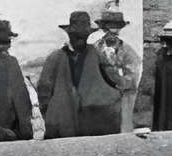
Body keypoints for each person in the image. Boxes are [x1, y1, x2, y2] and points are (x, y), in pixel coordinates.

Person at [39, 10, 121, 138]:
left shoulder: (97, 54)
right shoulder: (55, 58)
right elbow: (44, 92)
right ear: (69, 35)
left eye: (84, 36)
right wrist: (53, 114)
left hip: (92, 123)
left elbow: (114, 82)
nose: (81, 40)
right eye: (77, 36)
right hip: (63, 123)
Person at [95, 6, 142, 134]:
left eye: (116, 29)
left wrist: (119, 83)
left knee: (122, 128)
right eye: (109, 28)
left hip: (121, 96)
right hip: (100, 96)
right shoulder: (95, 48)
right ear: (104, 28)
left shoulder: (127, 50)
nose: (112, 33)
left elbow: (133, 74)